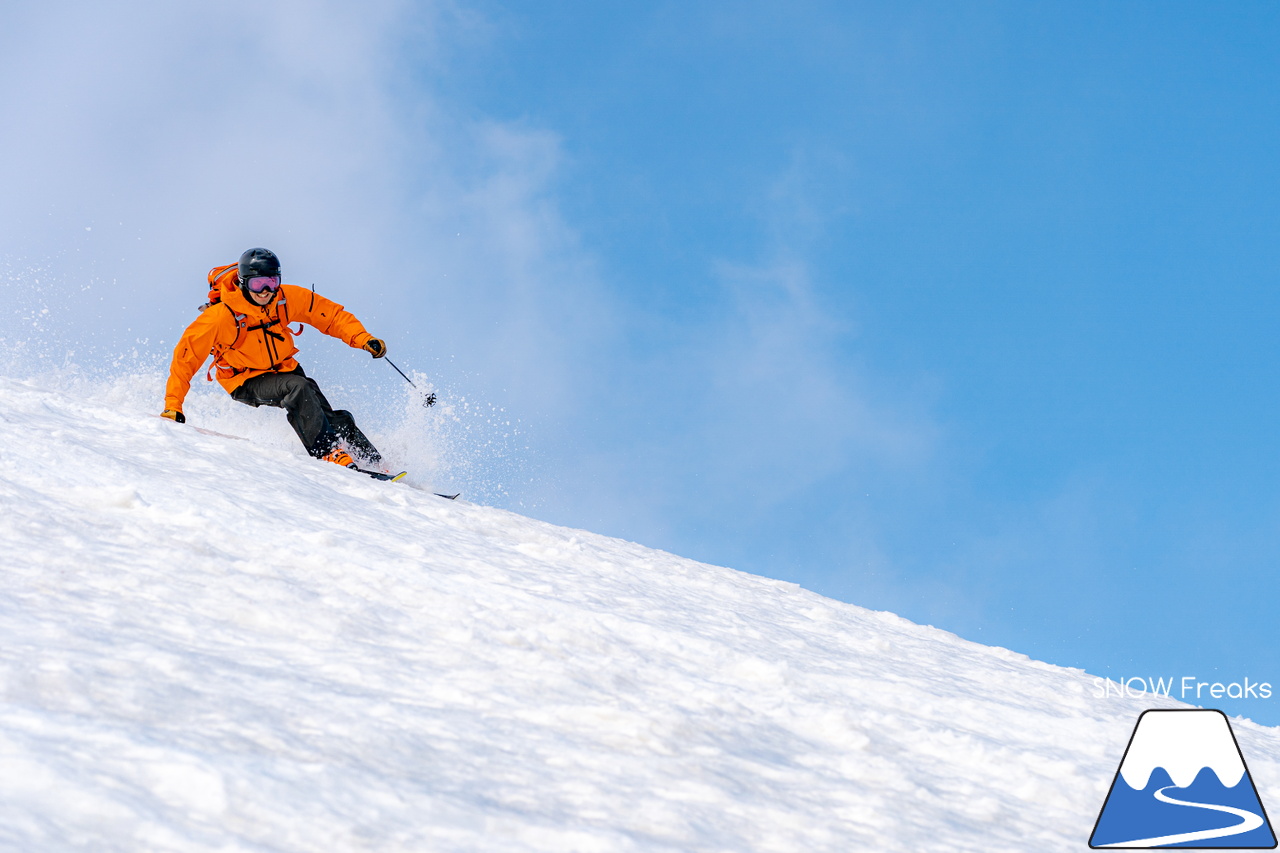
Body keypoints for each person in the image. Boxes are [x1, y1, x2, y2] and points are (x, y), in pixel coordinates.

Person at [161, 247, 389, 470]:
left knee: (330, 416)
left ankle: (373, 462)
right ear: (243, 282)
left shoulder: (284, 299)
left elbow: (330, 316)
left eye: (271, 282)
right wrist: (173, 405)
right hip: (244, 379)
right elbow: (186, 357)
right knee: (298, 388)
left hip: (284, 368)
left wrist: (362, 339)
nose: (265, 291)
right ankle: (327, 452)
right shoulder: (220, 317)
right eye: (257, 284)